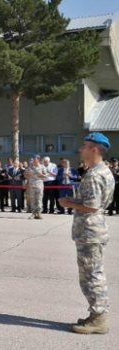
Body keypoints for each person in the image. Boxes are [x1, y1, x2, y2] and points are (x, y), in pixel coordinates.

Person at [59, 132, 115, 334]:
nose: (80, 149)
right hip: (93, 230)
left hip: (90, 232)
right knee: (93, 273)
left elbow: (91, 206)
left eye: (84, 145)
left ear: (94, 149)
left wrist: (68, 203)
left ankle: (99, 318)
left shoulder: (94, 174)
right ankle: (95, 315)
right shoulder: (103, 171)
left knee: (92, 276)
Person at [24, 155, 48, 219]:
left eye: (35, 159)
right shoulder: (30, 167)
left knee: (39, 200)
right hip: (31, 186)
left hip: (39, 186)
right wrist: (28, 175)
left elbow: (46, 176)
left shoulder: (42, 167)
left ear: (38, 160)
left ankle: (39, 213)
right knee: (33, 200)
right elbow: (25, 176)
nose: (34, 161)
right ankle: (33, 213)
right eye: (33, 159)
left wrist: (41, 174)